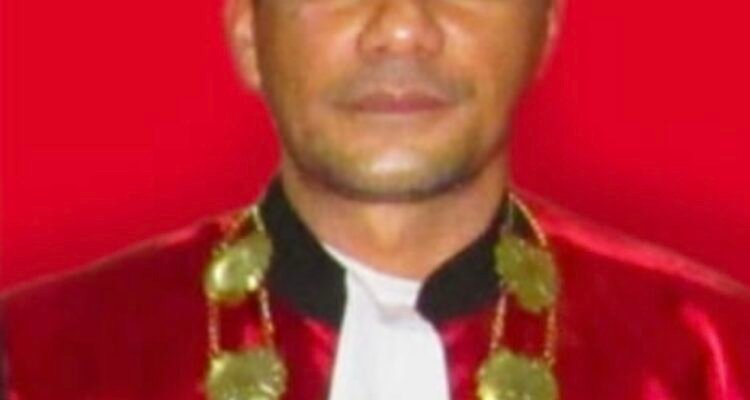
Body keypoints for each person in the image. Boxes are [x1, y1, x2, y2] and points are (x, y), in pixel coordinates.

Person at [2, 0, 749, 398]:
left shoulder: (716, 359)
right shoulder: (40, 363)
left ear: (547, 29)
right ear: (248, 35)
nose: (401, 29)